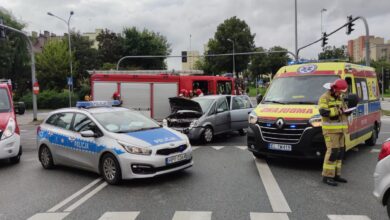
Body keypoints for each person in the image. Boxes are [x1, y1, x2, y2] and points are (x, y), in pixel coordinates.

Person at [318, 79, 351, 186]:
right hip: (330, 131)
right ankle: (327, 176)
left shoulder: (339, 98)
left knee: (340, 152)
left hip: (341, 130)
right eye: (339, 91)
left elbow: (344, 111)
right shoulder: (324, 98)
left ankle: (336, 174)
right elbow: (323, 112)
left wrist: (348, 111)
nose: (340, 93)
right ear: (334, 89)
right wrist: (338, 111)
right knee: (332, 152)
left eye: (341, 92)